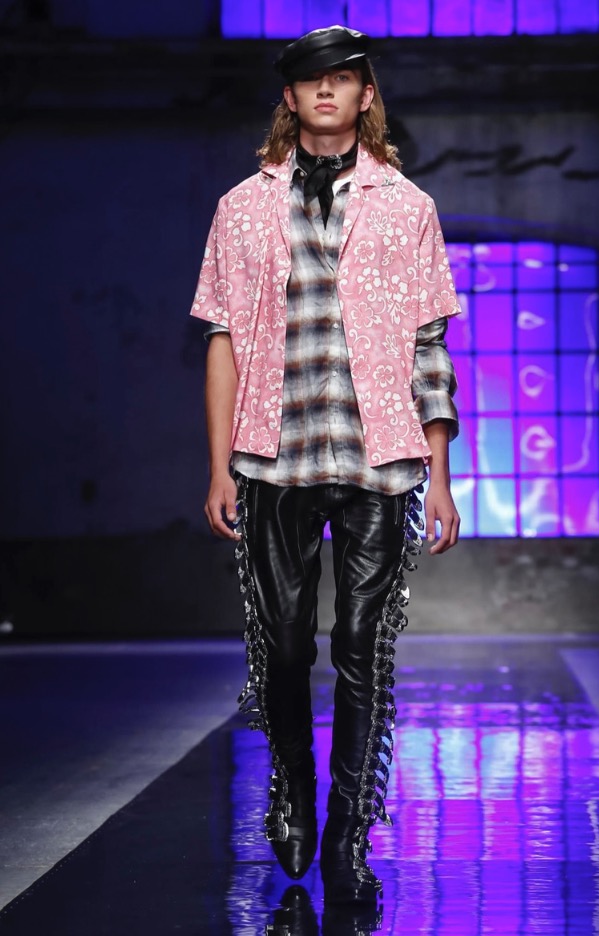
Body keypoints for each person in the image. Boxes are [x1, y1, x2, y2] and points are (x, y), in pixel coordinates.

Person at [190, 25, 461, 906]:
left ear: (365, 95)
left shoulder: (407, 206)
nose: (325, 91)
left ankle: (347, 831)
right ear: (289, 97)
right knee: (280, 645)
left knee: (361, 648)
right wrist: (221, 465)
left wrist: (440, 474)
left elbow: (428, 346)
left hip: (381, 454)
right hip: (272, 453)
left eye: (342, 79)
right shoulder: (241, 207)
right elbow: (223, 341)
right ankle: (293, 789)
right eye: (310, 80)